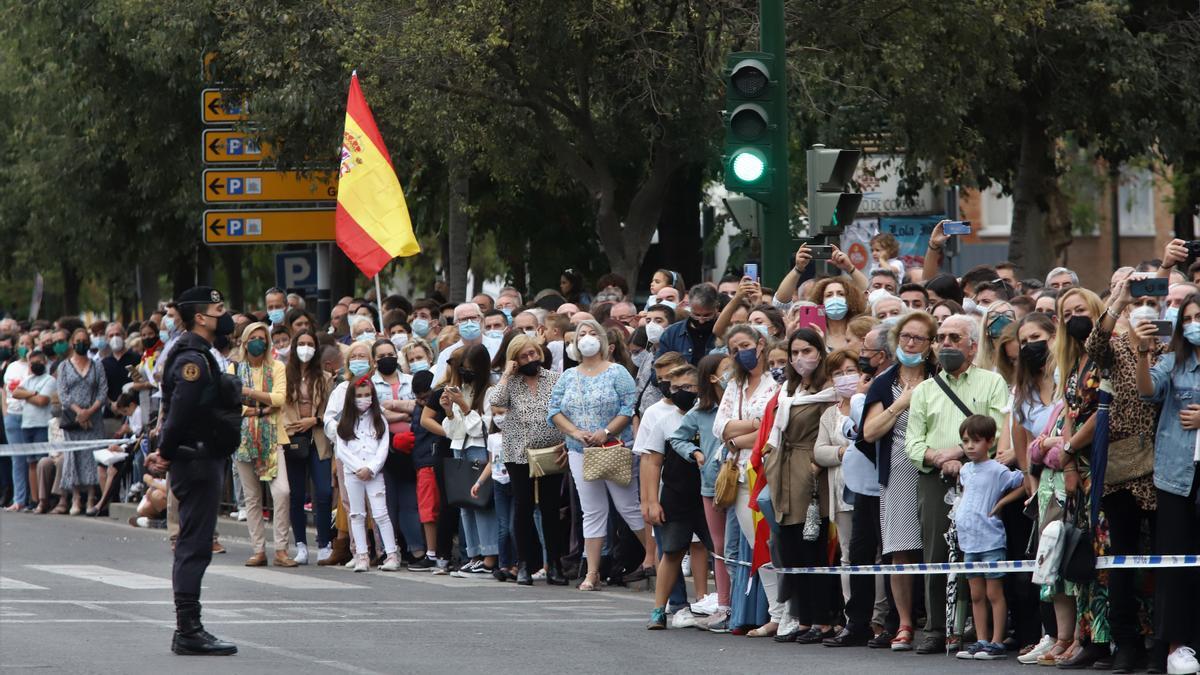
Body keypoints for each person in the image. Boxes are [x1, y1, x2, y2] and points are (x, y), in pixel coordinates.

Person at [904, 313, 1009, 655]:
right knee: (936, 553)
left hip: (983, 477)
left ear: (972, 346)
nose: (946, 344)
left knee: (982, 554)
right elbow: (913, 443)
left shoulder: (992, 383)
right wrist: (940, 459)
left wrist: (960, 456)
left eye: (954, 338)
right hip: (936, 480)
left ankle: (984, 632)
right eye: (941, 338)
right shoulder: (925, 390)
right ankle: (937, 627)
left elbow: (996, 433)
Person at [143, 286, 239, 656]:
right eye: (218, 308)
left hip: (201, 456)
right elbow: (181, 408)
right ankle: (188, 629)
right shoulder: (192, 355)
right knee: (194, 545)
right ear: (201, 317)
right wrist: (165, 453)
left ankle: (190, 626)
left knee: (195, 542)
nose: (224, 313)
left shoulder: (199, 351)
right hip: (196, 458)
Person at [548, 320, 654, 590]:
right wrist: (574, 432)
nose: (587, 338)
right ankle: (592, 572)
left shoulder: (617, 372)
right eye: (582, 334)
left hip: (614, 448)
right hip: (579, 450)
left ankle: (656, 556)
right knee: (592, 511)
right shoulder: (569, 376)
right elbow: (554, 411)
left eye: (592, 333)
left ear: (603, 340)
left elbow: (629, 407)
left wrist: (606, 431)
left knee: (627, 506)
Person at [860, 312, 937, 651]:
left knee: (938, 548)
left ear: (930, 344)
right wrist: (901, 403)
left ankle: (940, 621)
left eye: (918, 338)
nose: (909, 343)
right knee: (899, 551)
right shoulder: (883, 382)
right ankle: (904, 623)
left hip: (936, 466)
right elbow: (869, 432)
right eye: (905, 336)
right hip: (898, 468)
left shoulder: (940, 378)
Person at [1135, 290, 1200, 675]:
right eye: (1188, 317)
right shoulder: (1174, 361)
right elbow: (1148, 391)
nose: (1194, 323)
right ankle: (1176, 644)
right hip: (1176, 474)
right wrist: (1144, 354)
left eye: (1199, 315)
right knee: (1176, 563)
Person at [714, 324, 785, 636]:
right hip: (742, 476)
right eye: (733, 348)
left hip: (771, 471)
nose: (739, 352)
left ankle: (790, 611)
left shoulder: (777, 381)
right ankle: (776, 612)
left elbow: (773, 429)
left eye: (744, 344)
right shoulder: (735, 385)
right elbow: (720, 427)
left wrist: (740, 435)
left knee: (778, 542)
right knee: (760, 545)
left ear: (760, 344)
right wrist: (751, 426)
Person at [487, 334, 568, 585]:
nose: (530, 359)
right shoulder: (511, 382)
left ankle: (554, 564)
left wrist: (567, 441)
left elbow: (567, 410)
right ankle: (523, 563)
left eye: (533, 353)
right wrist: (507, 375)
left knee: (550, 508)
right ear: (515, 360)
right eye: (524, 356)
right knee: (522, 506)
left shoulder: (555, 379)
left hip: (550, 450)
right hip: (518, 451)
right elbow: (495, 402)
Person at [643, 364, 713, 630]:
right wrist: (651, 501)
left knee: (717, 552)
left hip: (709, 494)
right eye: (675, 388)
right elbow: (651, 463)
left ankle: (716, 604)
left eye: (687, 387)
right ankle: (659, 610)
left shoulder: (711, 414)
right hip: (676, 496)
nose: (680, 393)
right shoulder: (664, 420)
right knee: (671, 552)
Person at [952, 415, 1024, 661]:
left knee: (994, 593)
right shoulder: (964, 470)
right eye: (965, 441)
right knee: (975, 594)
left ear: (990, 442)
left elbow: (1024, 481)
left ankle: (997, 641)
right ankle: (981, 639)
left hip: (991, 539)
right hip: (969, 540)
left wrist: (1002, 502)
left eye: (976, 440)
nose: (970, 446)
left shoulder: (998, 470)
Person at [668, 354, 731, 631]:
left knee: (741, 546)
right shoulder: (700, 410)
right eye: (725, 370)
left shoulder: (739, 404)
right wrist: (694, 452)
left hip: (744, 480)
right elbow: (677, 437)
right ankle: (724, 605)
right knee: (719, 547)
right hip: (712, 484)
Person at [231, 322, 296, 568]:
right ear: (245, 342)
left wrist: (248, 393)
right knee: (252, 498)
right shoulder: (234, 368)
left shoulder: (277, 366)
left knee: (282, 492)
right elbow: (231, 404)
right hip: (244, 440)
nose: (259, 341)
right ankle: (258, 550)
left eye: (262, 337)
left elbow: (280, 399)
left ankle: (281, 549)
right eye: (253, 337)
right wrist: (261, 409)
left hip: (273, 439)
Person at [814, 348, 867, 643]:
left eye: (851, 370)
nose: (845, 378)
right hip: (841, 494)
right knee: (848, 557)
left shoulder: (869, 403)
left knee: (873, 555)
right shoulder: (829, 413)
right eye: (838, 373)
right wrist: (843, 452)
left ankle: (878, 618)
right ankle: (851, 618)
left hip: (870, 491)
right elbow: (819, 452)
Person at [330, 374, 401, 572]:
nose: (363, 399)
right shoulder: (344, 422)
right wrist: (357, 468)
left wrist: (371, 468)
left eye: (367, 394)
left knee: (380, 514)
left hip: (373, 474)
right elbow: (341, 449)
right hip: (353, 475)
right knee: (356, 514)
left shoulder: (379, 420)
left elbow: (383, 447)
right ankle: (361, 555)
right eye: (359, 395)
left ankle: (391, 554)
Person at [440, 344, 500, 576]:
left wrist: (464, 407)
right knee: (464, 505)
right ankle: (473, 554)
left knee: (481, 502)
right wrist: (448, 411)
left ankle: (489, 555)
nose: (465, 372)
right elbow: (453, 431)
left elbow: (484, 428)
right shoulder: (461, 389)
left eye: (469, 368)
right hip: (459, 448)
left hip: (478, 450)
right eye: (462, 368)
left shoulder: (490, 392)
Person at [281, 329, 333, 565]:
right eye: (301, 343)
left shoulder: (324, 377)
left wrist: (315, 420)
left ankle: (324, 543)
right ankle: (300, 544)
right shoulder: (283, 375)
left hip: (318, 437)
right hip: (292, 438)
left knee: (323, 492)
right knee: (296, 494)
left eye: (310, 343)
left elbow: (332, 411)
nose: (305, 348)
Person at [57, 326, 108, 515]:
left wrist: (90, 411)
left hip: (94, 417)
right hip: (73, 417)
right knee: (75, 456)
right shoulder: (64, 366)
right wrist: (79, 412)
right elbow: (63, 393)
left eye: (85, 340)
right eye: (78, 340)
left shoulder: (97, 365)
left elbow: (103, 391)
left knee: (93, 455)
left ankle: (92, 497)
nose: (81, 343)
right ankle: (76, 498)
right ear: (72, 343)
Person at [11, 350, 55, 511]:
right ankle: (34, 500)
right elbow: (15, 392)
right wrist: (32, 393)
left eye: (39, 361)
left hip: (41, 424)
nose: (36, 364)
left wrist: (26, 395)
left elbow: (42, 400)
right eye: (32, 362)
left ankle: (45, 499)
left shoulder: (49, 380)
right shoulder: (29, 379)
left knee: (42, 462)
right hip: (26, 425)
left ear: (44, 362)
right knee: (31, 463)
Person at [655, 284, 719, 365]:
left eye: (707, 315)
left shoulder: (723, 332)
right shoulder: (671, 333)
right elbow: (658, 367)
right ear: (690, 308)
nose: (701, 321)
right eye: (696, 315)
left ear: (716, 308)